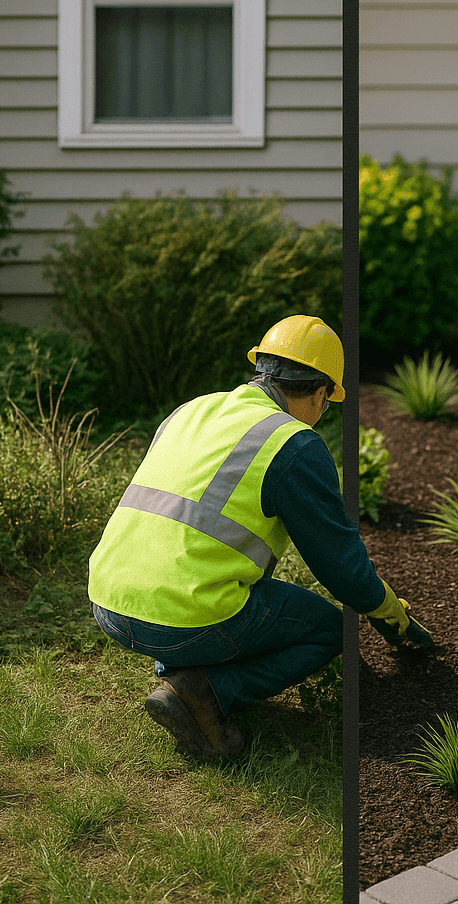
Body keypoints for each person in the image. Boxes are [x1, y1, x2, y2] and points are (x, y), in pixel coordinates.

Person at [88, 314, 428, 758]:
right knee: (329, 629)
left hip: (108, 603)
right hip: (180, 620)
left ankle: (180, 673)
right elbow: (340, 566)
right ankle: (205, 691)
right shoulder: (294, 443)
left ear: (262, 369)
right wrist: (390, 614)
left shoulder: (191, 409)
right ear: (322, 393)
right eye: (329, 402)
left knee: (209, 600)